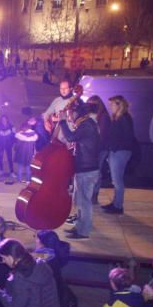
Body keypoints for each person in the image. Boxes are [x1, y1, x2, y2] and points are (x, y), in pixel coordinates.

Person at [56, 101, 100, 240]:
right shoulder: (86, 124)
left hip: (87, 170)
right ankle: (80, 227)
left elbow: (70, 137)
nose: (69, 116)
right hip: (84, 168)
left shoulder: (86, 125)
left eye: (70, 113)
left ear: (76, 112)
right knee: (80, 201)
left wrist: (62, 122)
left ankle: (83, 232)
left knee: (84, 203)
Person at [103, 95, 136, 214]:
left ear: (119, 105)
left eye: (112, 104)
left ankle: (118, 206)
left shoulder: (124, 118)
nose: (110, 106)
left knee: (117, 180)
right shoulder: (118, 117)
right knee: (116, 180)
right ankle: (116, 203)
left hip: (120, 152)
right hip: (117, 151)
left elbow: (127, 137)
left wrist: (114, 149)